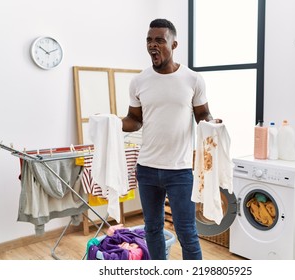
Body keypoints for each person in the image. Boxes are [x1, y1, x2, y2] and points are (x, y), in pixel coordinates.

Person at [122, 18, 221, 260]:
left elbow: (202, 115)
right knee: (152, 229)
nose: (152, 45)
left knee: (187, 232)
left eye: (159, 40)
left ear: (173, 44)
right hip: (146, 169)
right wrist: (112, 122)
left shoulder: (192, 80)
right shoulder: (139, 81)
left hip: (179, 170)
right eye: (149, 40)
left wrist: (211, 122)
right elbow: (134, 119)